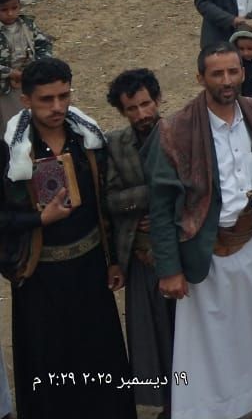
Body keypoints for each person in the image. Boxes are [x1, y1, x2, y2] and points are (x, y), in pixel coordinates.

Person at [146, 44, 252, 419]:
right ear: (201, 78)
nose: (227, 81)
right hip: (208, 252)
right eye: (217, 74)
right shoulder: (176, 130)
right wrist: (169, 269)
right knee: (213, 344)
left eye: (233, 71)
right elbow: (161, 207)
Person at [0, 58, 132, 419]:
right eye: (47, 99)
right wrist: (38, 219)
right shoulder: (9, 152)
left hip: (91, 273)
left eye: (64, 96)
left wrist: (114, 260)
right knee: (48, 371)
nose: (57, 107)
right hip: (40, 279)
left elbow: (105, 204)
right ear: (26, 100)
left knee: (100, 364)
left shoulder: (87, 140)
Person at [104, 67, 174, 417]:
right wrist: (152, 198)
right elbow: (111, 200)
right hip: (140, 255)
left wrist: (163, 213)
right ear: (122, 111)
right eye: (132, 108)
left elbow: (194, 188)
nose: (142, 114)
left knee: (186, 334)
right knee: (153, 336)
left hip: (177, 253)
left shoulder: (178, 134)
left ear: (157, 99)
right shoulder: (115, 145)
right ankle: (168, 403)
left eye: (146, 104)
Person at [0, 0, 53, 124]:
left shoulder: (27, 24)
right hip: (4, 86)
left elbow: (43, 43)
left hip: (28, 79)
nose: (10, 13)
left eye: (14, 8)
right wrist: (11, 73)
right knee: (10, 122)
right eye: (4, 10)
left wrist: (39, 66)